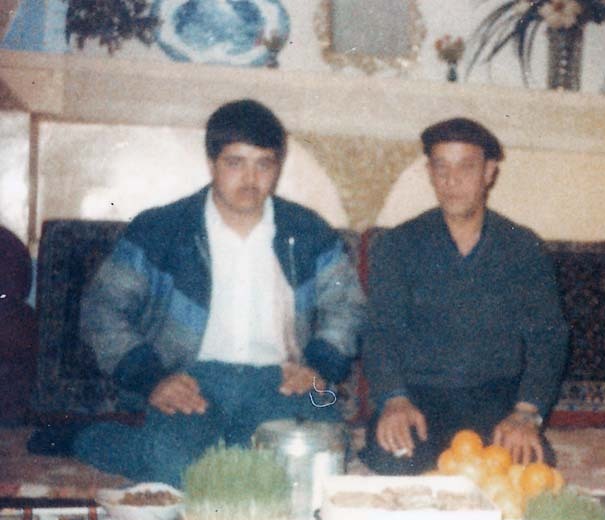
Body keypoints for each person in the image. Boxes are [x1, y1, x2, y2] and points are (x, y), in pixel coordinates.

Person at [29, 99, 365, 486]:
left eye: (264, 164)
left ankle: (220, 448)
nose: (251, 179)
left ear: (278, 167)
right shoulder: (160, 229)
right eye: (235, 163)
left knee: (324, 455)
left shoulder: (308, 231)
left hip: (286, 381)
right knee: (175, 465)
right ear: (211, 163)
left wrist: (318, 366)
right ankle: (90, 438)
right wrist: (153, 379)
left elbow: (348, 307)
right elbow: (103, 309)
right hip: (191, 379)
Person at [360, 117, 568, 475]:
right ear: (430, 172)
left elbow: (548, 337)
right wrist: (394, 399)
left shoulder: (522, 247)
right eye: (441, 167)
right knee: (394, 459)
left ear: (489, 172)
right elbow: (380, 331)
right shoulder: (398, 245)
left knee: (524, 469)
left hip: (495, 400)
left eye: (466, 167)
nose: (451, 181)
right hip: (419, 397)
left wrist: (526, 413)